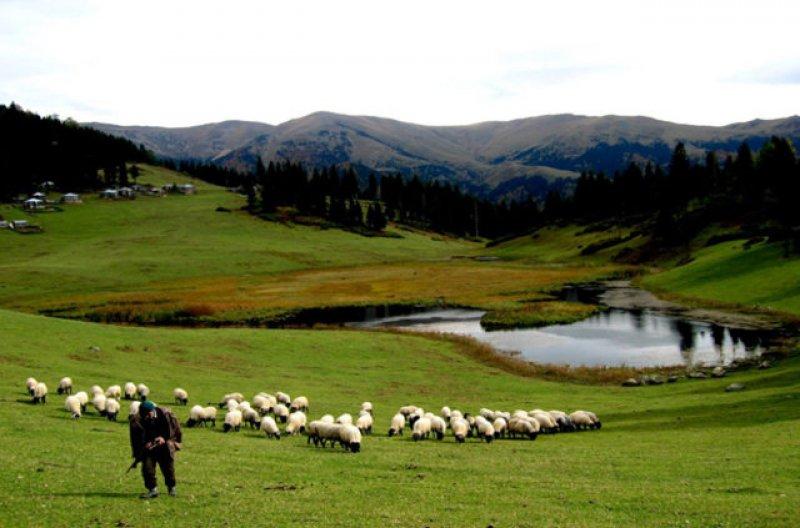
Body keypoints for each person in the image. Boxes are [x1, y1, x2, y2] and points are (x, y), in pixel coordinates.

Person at [129, 400, 182, 499]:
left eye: (148, 414)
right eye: (145, 415)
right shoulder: (138, 420)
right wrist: (145, 444)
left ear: (152, 411)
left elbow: (174, 431)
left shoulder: (166, 415)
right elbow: (136, 438)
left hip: (165, 446)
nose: (147, 417)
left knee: (168, 468)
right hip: (150, 448)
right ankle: (153, 490)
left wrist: (163, 438)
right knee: (147, 468)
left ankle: (172, 488)